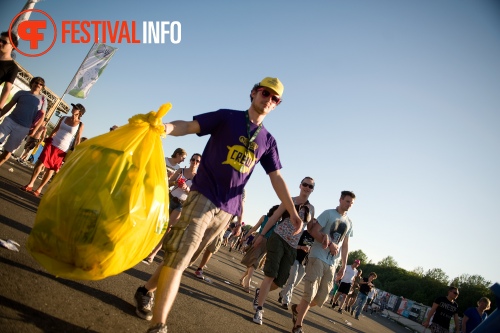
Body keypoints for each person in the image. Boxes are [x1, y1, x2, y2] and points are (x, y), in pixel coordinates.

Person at [136, 77, 302, 333]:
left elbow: (276, 177)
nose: (268, 99)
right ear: (254, 93)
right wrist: (166, 127)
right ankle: (159, 325)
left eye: (274, 98)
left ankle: (145, 290)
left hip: (227, 210)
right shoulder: (227, 117)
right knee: (181, 258)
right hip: (203, 195)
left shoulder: (268, 141)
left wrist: (292, 211)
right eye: (264, 93)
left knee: (185, 258)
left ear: (277, 105)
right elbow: (190, 126)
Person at [251, 177, 315, 325]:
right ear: (300, 185)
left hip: (292, 245)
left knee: (280, 281)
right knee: (270, 274)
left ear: (312, 189)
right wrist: (261, 235)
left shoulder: (311, 208)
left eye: (310, 186)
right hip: (278, 238)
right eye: (305, 184)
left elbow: (311, 228)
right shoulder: (289, 200)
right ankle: (259, 309)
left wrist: (324, 237)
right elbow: (274, 218)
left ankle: (260, 292)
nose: (307, 187)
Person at [291, 190, 356, 333]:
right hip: (317, 255)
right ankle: (298, 325)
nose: (349, 204)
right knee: (310, 291)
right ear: (340, 200)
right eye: (347, 201)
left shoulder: (349, 223)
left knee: (322, 297)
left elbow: (345, 245)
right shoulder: (328, 214)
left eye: (351, 203)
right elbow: (313, 231)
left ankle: (297, 309)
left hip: (333, 262)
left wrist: (344, 265)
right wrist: (328, 242)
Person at [142, 153, 202, 264]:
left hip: (181, 204)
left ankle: (152, 254)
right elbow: (168, 182)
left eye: (197, 161)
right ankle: (146, 247)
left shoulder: (198, 178)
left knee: (167, 228)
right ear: (190, 160)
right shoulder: (181, 171)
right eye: (193, 159)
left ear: (200, 163)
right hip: (170, 198)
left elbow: (194, 195)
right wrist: (176, 182)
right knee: (157, 223)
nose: (194, 162)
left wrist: (186, 188)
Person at [20, 103, 85, 196]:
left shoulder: (80, 125)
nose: (73, 108)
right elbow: (55, 130)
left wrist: (76, 151)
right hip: (52, 143)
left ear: (80, 112)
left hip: (63, 149)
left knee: (51, 168)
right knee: (40, 162)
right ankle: (30, 184)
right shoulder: (63, 118)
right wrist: (49, 139)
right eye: (74, 107)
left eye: (76, 108)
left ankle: (39, 188)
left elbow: (78, 139)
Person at [0, 77, 47, 168]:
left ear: (42, 87)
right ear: (32, 83)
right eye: (36, 82)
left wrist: (34, 130)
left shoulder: (43, 99)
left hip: (24, 128)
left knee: (7, 153)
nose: (38, 85)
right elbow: (9, 105)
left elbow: (42, 117)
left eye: (41, 84)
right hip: (10, 121)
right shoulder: (21, 93)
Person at [239, 204, 280, 293]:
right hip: (258, 239)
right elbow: (255, 227)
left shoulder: (279, 223)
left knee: (255, 263)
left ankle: (242, 278)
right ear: (273, 210)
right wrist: (246, 236)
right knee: (254, 261)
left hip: (268, 244)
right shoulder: (264, 217)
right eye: (278, 210)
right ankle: (247, 283)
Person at [278, 229, 314, 310]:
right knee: (292, 280)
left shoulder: (316, 238)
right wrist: (302, 247)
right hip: (295, 258)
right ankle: (286, 301)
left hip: (305, 263)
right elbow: (292, 244)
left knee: (295, 283)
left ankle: (282, 293)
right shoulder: (303, 233)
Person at [0, 31, 19, 109]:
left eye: (4, 42)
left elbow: (7, 88)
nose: (0, 43)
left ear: (12, 46)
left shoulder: (12, 67)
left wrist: (0, 106)